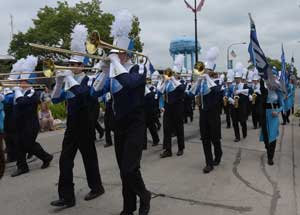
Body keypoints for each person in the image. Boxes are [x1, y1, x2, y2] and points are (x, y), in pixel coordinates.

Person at [92, 10, 151, 215]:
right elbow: (94, 93)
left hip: (136, 123)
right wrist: (104, 71)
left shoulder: (139, 67)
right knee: (125, 170)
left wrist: (115, 63)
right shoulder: (114, 70)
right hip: (119, 124)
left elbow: (130, 83)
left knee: (129, 167)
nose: (115, 54)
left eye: (118, 52)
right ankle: (128, 207)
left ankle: (144, 195)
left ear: (127, 52)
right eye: (114, 52)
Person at [50, 24, 104, 208]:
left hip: (86, 122)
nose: (73, 67)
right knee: (65, 160)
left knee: (89, 158)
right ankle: (67, 196)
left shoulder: (89, 79)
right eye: (71, 64)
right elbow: (56, 100)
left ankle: (97, 187)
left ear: (83, 65)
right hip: (72, 124)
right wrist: (58, 82)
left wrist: (69, 79)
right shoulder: (68, 81)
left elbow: (82, 93)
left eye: (77, 64)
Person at [10, 56, 53, 177]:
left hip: (30, 123)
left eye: (23, 81)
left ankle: (46, 157)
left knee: (29, 144)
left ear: (29, 82)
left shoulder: (34, 92)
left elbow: (24, 102)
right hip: (20, 122)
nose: (20, 83)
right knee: (19, 144)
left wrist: (17, 92)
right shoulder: (21, 92)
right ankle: (22, 167)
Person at [190, 47, 223, 174]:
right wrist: (197, 82)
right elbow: (190, 93)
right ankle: (208, 163)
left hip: (214, 114)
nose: (204, 72)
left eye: (207, 70)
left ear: (212, 70)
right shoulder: (202, 82)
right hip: (203, 113)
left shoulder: (217, 81)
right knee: (205, 139)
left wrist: (208, 78)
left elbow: (217, 92)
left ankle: (218, 154)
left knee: (215, 138)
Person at [158, 68, 185, 158]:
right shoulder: (167, 83)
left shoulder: (179, 82)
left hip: (178, 107)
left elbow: (182, 89)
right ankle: (168, 150)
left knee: (179, 128)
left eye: (171, 74)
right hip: (168, 107)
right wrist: (165, 81)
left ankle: (181, 148)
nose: (169, 75)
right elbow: (160, 92)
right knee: (166, 128)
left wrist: (173, 79)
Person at [259, 68, 284, 165]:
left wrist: (277, 111)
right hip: (264, 114)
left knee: (272, 136)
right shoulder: (265, 89)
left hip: (273, 115)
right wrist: (261, 78)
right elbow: (261, 89)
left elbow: (282, 105)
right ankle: (267, 147)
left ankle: (270, 157)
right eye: (270, 77)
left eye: (273, 76)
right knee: (266, 135)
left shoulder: (278, 90)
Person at [229, 62, 249, 142]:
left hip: (241, 107)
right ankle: (237, 136)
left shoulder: (244, 85)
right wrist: (231, 99)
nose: (237, 79)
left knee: (243, 122)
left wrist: (240, 91)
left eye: (238, 78)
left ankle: (244, 133)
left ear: (240, 78)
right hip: (233, 106)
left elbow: (249, 91)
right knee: (234, 122)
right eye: (236, 78)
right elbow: (229, 94)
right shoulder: (232, 86)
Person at [144, 83, 160, 149]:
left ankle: (156, 140)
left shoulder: (148, 91)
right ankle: (143, 145)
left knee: (151, 126)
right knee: (143, 128)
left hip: (149, 110)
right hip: (144, 110)